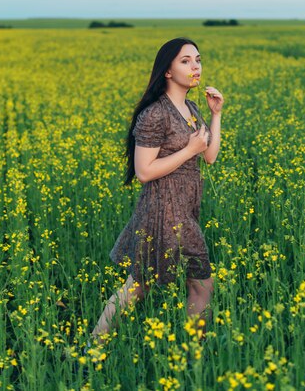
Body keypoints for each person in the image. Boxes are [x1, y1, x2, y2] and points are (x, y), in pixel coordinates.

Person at [90, 37, 223, 345]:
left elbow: (210, 156)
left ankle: (195, 358)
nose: (195, 67)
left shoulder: (190, 107)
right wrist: (189, 150)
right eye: (185, 61)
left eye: (198, 60)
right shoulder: (155, 113)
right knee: (140, 287)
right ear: (167, 70)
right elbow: (144, 171)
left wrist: (216, 114)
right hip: (161, 211)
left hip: (185, 210)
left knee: (196, 285)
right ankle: (92, 351)